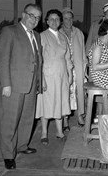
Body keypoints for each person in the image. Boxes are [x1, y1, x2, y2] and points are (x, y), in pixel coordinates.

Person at [0, 3, 43, 170]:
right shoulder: (10, 31)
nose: (35, 20)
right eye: (32, 15)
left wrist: (39, 81)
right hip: (13, 85)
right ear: (23, 14)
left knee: (26, 118)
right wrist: (6, 84)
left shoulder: (36, 35)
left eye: (38, 17)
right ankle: (8, 155)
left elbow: (38, 61)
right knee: (10, 121)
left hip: (30, 85)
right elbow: (2, 59)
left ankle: (22, 145)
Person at [35, 9, 73, 145]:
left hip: (62, 75)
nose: (54, 21)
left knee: (60, 102)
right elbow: (39, 59)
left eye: (57, 19)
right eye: (51, 19)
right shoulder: (42, 36)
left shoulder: (63, 37)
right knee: (46, 104)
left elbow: (68, 58)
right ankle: (44, 133)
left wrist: (69, 75)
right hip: (48, 75)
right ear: (46, 21)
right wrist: (41, 78)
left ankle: (59, 131)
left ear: (60, 21)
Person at [60, 7, 87, 127]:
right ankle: (65, 118)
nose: (68, 21)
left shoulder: (79, 33)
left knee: (78, 92)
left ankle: (79, 115)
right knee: (65, 92)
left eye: (70, 18)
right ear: (62, 20)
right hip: (64, 68)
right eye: (65, 19)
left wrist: (84, 67)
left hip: (78, 68)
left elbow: (83, 52)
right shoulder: (58, 33)